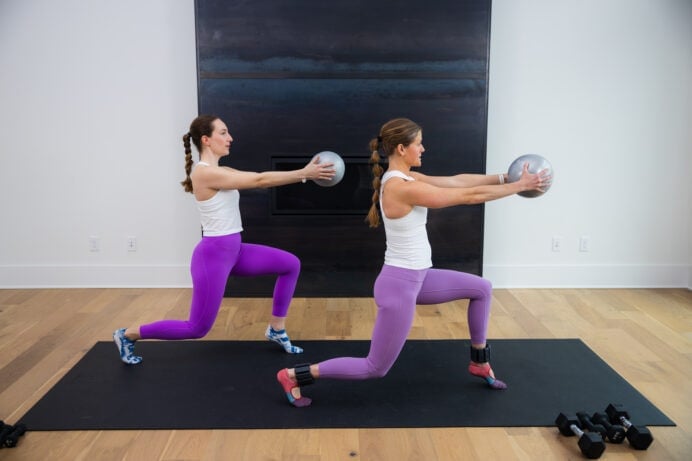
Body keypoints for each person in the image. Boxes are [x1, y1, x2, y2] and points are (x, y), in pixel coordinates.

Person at [276, 117, 550, 406]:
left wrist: (506, 178)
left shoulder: (407, 178)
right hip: (400, 287)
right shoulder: (400, 187)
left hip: (419, 278)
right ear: (402, 148)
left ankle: (479, 362)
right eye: (418, 144)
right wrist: (520, 185)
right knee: (375, 367)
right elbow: (468, 196)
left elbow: (457, 181)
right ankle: (294, 375)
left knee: (481, 289)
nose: (423, 148)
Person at [113, 114, 336, 364]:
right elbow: (259, 180)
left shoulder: (222, 170)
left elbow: (259, 176)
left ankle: (276, 329)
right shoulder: (204, 174)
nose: (230, 138)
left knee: (290, 264)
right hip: (214, 256)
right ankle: (128, 334)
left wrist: (303, 173)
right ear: (206, 140)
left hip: (236, 251)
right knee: (196, 328)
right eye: (223, 132)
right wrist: (304, 173)